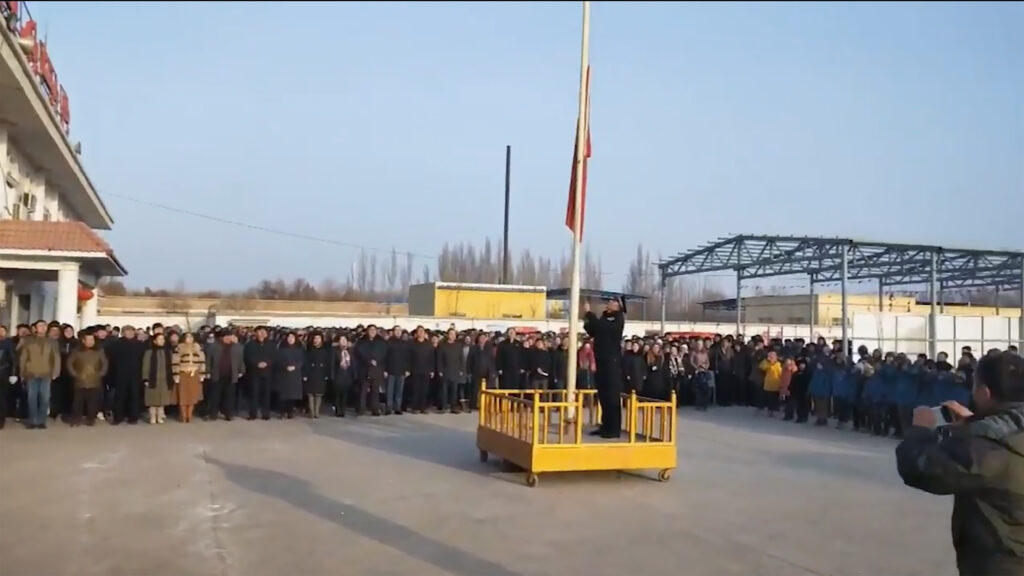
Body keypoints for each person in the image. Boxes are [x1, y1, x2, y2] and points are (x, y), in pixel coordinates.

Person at [895, 351, 1023, 576]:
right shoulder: (997, 435)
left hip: (1003, 562)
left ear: (984, 393)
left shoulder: (988, 446)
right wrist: (977, 423)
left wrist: (920, 430)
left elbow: (921, 468)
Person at [583, 296, 626, 439]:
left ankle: (613, 429)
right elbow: (593, 330)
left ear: (618, 306)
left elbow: (603, 328)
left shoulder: (618, 318)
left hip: (611, 362)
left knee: (611, 396)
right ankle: (605, 425)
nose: (609, 303)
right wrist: (587, 318)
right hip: (601, 360)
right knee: (603, 395)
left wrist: (590, 314)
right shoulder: (604, 317)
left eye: (613, 301)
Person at [16, 320, 61, 429]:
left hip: (46, 373)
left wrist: (56, 371)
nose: (42, 328)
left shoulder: (52, 342)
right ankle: (32, 421)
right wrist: (22, 372)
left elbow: (56, 357)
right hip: (31, 373)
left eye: (44, 326)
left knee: (45, 398)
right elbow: (23, 357)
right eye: (40, 326)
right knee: (31, 398)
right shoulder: (28, 341)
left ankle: (41, 421)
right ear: (35, 328)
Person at [66, 332, 109, 427]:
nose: (90, 342)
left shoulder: (99, 351)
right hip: (80, 380)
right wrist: (74, 374)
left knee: (93, 402)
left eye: (92, 340)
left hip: (95, 380)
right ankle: (77, 418)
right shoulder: (77, 351)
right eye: (88, 340)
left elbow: (105, 363)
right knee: (78, 402)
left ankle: (90, 419)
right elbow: (69, 363)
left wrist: (101, 373)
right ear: (83, 341)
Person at [172, 332, 206, 423]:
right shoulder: (179, 348)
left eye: (191, 337)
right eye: (187, 337)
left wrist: (202, 374)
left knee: (192, 396)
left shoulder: (197, 347)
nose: (190, 339)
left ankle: (189, 416)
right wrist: (176, 375)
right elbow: (175, 362)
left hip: (194, 374)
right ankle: (183, 416)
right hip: (183, 374)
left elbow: (202, 362)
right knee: (183, 396)